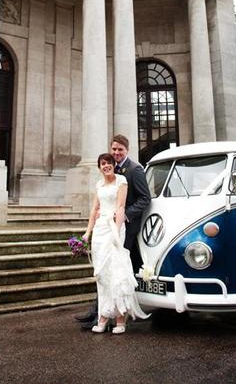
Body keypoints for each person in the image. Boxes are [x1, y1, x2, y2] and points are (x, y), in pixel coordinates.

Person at [76, 135, 151, 329]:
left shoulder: (135, 170)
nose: (116, 153)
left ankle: (116, 316)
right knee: (104, 271)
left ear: (127, 150)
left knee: (117, 271)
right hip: (104, 227)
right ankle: (99, 313)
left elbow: (145, 199)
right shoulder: (110, 169)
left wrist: (124, 215)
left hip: (125, 228)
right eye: (114, 149)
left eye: (120, 150)